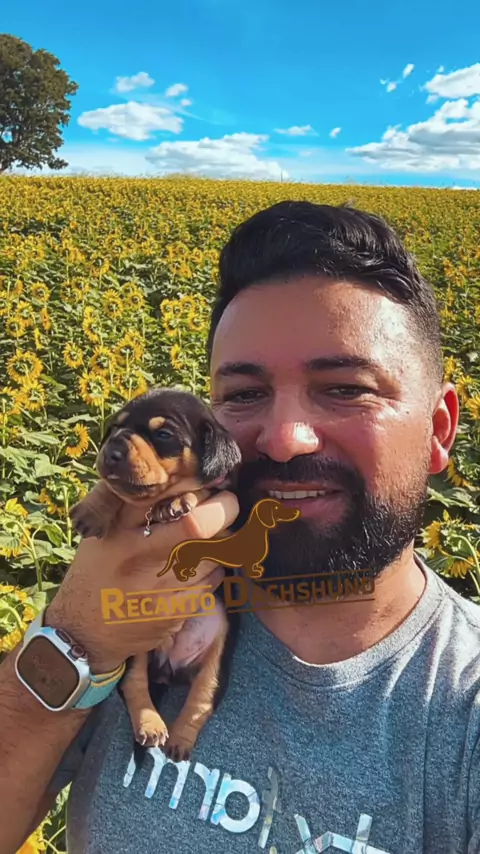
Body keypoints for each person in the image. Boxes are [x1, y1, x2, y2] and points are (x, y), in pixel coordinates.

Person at [1, 199, 479, 854]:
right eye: (245, 395)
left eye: (346, 388)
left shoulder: (462, 710)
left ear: (439, 430)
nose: (284, 438)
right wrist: (75, 637)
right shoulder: (137, 606)